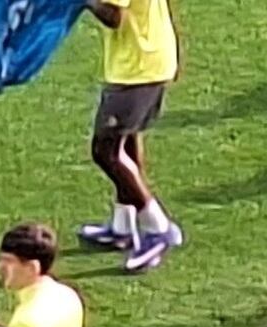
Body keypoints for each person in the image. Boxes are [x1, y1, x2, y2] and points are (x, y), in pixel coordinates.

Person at [75, 0, 183, 274]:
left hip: (138, 68)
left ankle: (158, 228)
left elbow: (113, 15)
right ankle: (122, 226)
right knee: (128, 139)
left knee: (105, 151)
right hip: (148, 59)